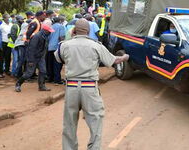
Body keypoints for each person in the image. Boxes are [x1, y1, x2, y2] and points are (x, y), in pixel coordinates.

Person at [55, 18, 129, 150]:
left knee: (69, 123)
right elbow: (113, 60)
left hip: (71, 87)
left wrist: (71, 39)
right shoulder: (96, 46)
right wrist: (125, 57)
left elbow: (58, 57)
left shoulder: (65, 45)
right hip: (89, 88)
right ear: (88, 31)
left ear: (74, 30)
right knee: (95, 122)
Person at [15, 24, 55, 92]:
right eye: (49, 31)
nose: (50, 32)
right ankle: (18, 84)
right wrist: (30, 60)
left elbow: (44, 48)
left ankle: (41, 86)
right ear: (45, 30)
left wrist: (42, 57)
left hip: (40, 57)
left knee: (43, 71)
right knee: (29, 73)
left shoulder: (45, 36)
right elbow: (31, 49)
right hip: (33, 58)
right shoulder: (37, 36)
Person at [47, 17, 65, 84]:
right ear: (60, 21)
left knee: (50, 63)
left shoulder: (51, 27)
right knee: (57, 64)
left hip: (49, 47)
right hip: (57, 47)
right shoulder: (61, 26)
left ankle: (50, 78)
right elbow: (61, 37)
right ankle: (57, 79)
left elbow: (48, 37)